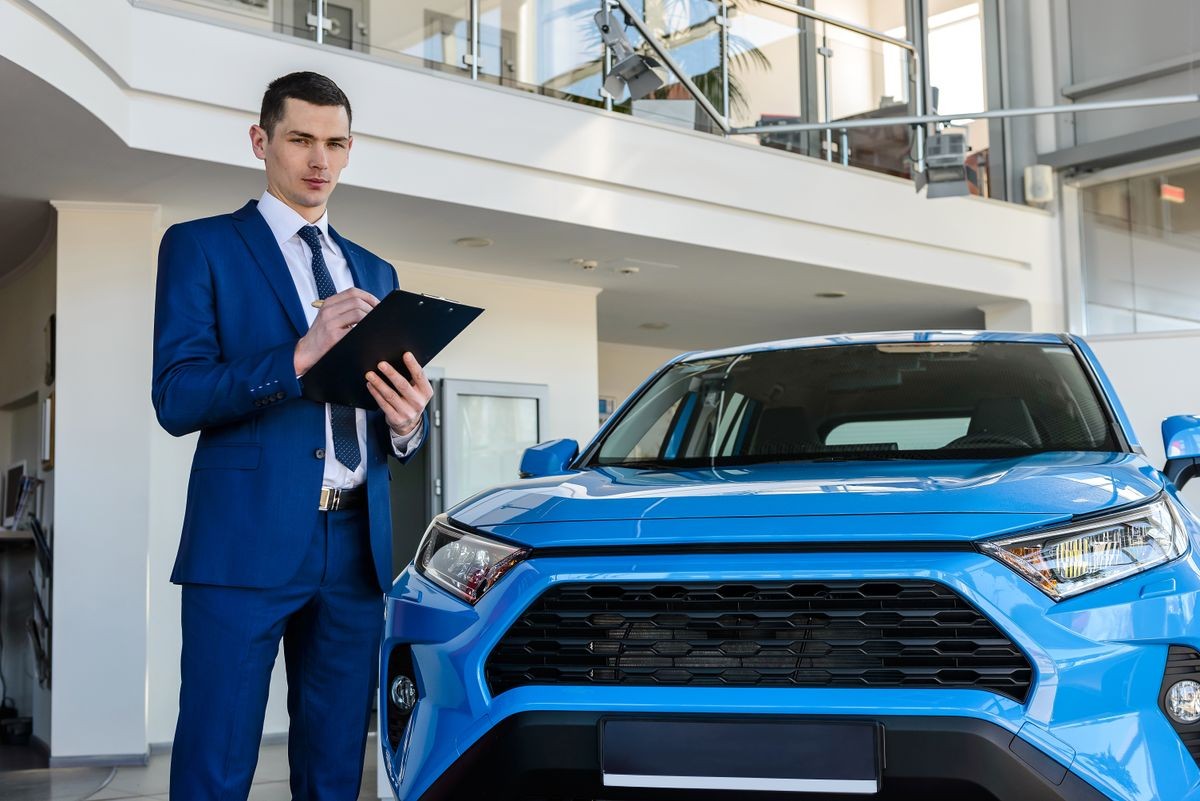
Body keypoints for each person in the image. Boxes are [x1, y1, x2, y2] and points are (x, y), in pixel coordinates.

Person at [151, 71, 432, 800]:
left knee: (336, 768)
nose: (320, 160)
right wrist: (298, 356)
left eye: (335, 143)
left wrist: (406, 426)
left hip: (354, 554)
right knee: (214, 763)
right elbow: (176, 395)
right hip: (241, 546)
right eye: (301, 139)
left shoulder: (374, 270)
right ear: (261, 141)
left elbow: (387, 421)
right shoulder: (201, 247)